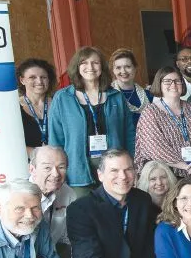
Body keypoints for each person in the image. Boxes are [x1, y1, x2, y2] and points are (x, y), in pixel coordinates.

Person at [48, 46, 136, 191]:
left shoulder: (116, 96)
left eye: (95, 62)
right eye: (84, 63)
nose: (90, 67)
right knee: (84, 211)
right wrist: (57, 171)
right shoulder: (62, 98)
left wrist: (131, 164)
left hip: (116, 170)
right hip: (77, 170)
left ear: (102, 66)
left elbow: (129, 133)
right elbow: (55, 139)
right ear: (77, 67)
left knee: (114, 210)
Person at [135, 67, 191, 182]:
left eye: (177, 81)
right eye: (167, 81)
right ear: (159, 84)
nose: (173, 84)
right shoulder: (150, 112)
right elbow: (154, 147)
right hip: (166, 176)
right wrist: (185, 166)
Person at [27, 146, 76, 258]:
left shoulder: (68, 194)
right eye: (47, 168)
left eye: (61, 167)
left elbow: (68, 237)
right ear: (32, 169)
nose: (55, 174)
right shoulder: (15, 196)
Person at [18, 58, 55, 152]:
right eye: (32, 77)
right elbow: (11, 143)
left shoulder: (59, 104)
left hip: (60, 162)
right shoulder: (13, 108)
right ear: (22, 80)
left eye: (43, 77)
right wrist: (41, 157)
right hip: (28, 164)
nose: (39, 81)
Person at [110, 48, 152, 126]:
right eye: (118, 68)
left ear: (135, 68)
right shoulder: (108, 95)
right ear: (113, 70)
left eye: (128, 67)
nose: (123, 71)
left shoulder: (149, 96)